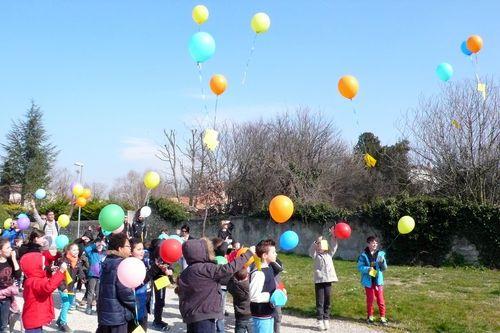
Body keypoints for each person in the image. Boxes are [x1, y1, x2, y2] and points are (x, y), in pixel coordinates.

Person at [177, 238, 254, 333]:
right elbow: (229, 268)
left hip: (191, 316)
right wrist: (248, 254)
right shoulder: (206, 269)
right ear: (202, 252)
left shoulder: (186, 272)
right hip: (205, 315)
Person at [96, 233, 135, 333]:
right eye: (128, 246)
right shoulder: (121, 265)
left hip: (105, 314)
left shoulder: (108, 261)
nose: (130, 248)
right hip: (117, 316)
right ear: (120, 248)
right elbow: (125, 292)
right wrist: (137, 305)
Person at [20, 252, 67, 333]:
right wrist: (61, 272)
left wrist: (53, 274)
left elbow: (44, 283)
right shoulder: (34, 281)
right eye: (42, 265)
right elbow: (48, 287)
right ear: (34, 266)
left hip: (34, 320)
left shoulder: (32, 279)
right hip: (33, 321)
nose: (44, 266)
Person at [309, 234, 338, 331]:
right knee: (320, 301)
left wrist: (333, 237)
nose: (320, 246)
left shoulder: (329, 254)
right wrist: (316, 242)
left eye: (322, 245)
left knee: (328, 300)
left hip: (328, 280)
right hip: (319, 281)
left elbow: (334, 246)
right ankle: (319, 320)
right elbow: (311, 250)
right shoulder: (315, 255)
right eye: (319, 245)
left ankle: (326, 319)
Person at [357, 236, 388, 325]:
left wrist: (382, 262)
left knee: (380, 299)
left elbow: (384, 268)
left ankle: (383, 317)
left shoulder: (380, 254)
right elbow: (360, 267)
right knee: (370, 299)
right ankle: (370, 316)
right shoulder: (364, 255)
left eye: (376, 242)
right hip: (368, 281)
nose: (375, 244)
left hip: (378, 281)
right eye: (372, 242)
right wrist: (368, 269)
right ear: (368, 243)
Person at [56, 242, 86, 332]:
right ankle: (63, 323)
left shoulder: (78, 260)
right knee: (65, 303)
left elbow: (80, 271)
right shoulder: (63, 261)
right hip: (63, 285)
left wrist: (83, 278)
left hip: (71, 286)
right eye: (74, 250)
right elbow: (59, 276)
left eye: (77, 249)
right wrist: (63, 287)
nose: (76, 251)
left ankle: (59, 320)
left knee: (68, 304)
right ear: (68, 250)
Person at [249, 239, 277, 333]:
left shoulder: (269, 268)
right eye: (273, 252)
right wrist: (271, 296)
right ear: (265, 255)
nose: (276, 254)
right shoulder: (259, 273)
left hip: (269, 314)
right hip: (260, 316)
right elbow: (253, 296)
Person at [148, 239, 173, 331]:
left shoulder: (166, 254)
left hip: (162, 278)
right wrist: (158, 266)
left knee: (161, 300)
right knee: (156, 300)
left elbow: (170, 268)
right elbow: (150, 270)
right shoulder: (152, 257)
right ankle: (157, 321)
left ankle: (158, 320)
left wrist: (168, 271)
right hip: (155, 277)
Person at [0, 238, 21, 333]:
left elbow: (18, 275)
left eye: (10, 247)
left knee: (3, 325)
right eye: (7, 247)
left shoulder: (11, 261)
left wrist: (13, 259)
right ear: (0, 251)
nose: (11, 249)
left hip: (7, 297)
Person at [84, 238, 106, 315]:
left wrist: (104, 244)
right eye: (98, 244)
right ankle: (89, 307)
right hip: (92, 275)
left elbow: (110, 251)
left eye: (101, 245)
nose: (100, 246)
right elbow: (86, 250)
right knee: (90, 292)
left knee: (98, 293)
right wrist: (95, 244)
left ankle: (98, 308)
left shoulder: (104, 253)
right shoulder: (92, 253)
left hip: (101, 276)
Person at [227, 269, 253, 333]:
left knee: (239, 329)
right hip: (250, 312)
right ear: (247, 276)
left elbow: (229, 284)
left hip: (239, 314)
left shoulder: (233, 286)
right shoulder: (248, 286)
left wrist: (233, 276)